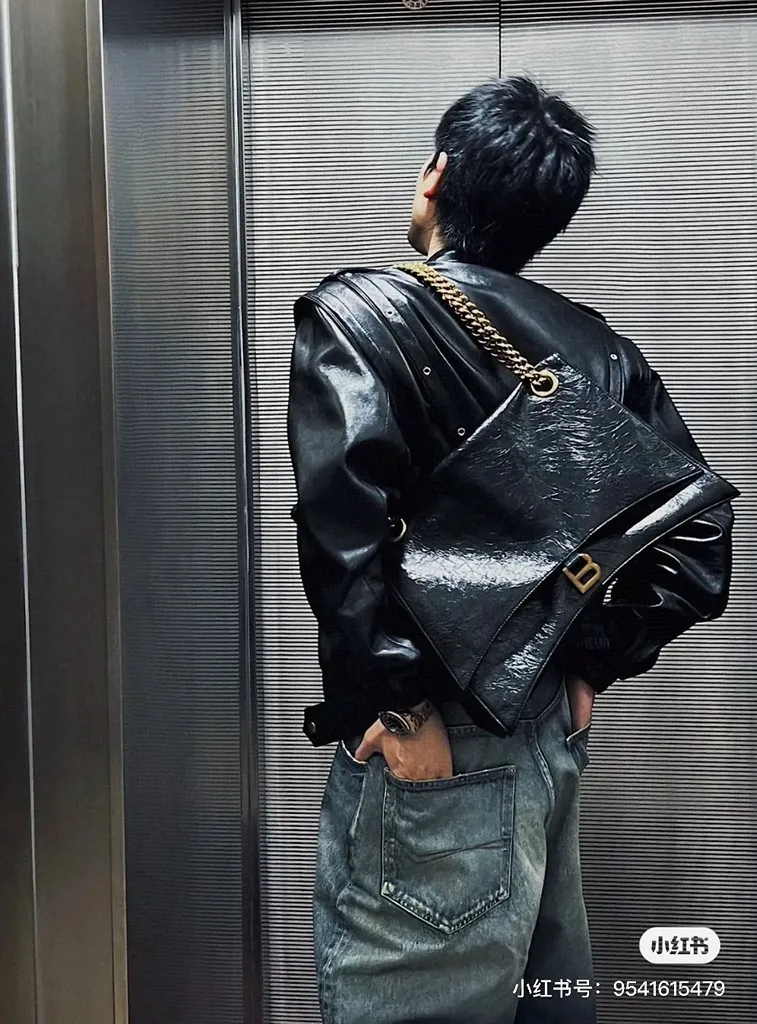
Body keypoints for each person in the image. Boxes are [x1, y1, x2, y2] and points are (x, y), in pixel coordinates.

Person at [286, 76, 734, 1024]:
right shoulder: (600, 348)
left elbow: (342, 534)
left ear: (435, 174)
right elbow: (697, 543)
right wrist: (589, 659)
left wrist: (397, 705)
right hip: (544, 725)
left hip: (428, 735)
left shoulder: (361, 316)